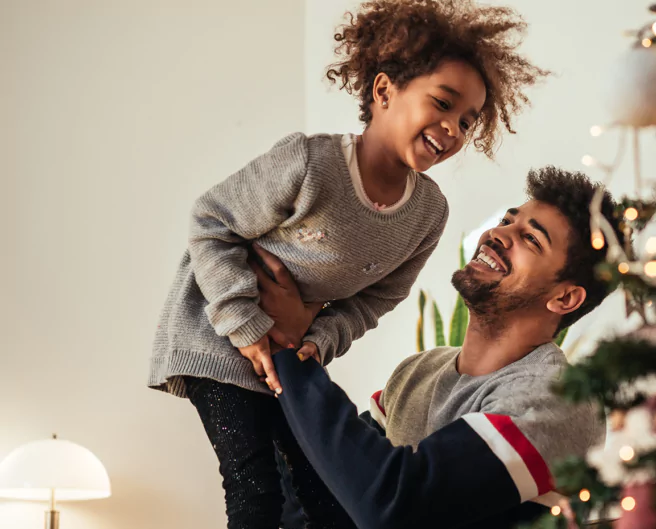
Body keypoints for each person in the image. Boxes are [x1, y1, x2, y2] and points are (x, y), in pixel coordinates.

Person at [146, 1, 546, 526]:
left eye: (466, 121)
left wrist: (317, 342)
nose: (452, 128)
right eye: (442, 104)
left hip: (289, 354)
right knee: (255, 490)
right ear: (383, 92)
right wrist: (244, 324)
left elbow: (375, 299)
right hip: (216, 339)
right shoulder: (310, 163)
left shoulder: (427, 213)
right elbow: (210, 221)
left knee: (326, 492)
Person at [251, 167, 624, 528]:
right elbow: (330, 481)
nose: (499, 233)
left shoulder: (560, 398)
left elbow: (395, 505)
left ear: (565, 298)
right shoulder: (417, 373)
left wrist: (290, 348)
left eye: (531, 239)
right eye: (509, 220)